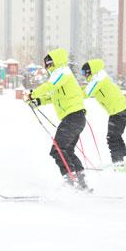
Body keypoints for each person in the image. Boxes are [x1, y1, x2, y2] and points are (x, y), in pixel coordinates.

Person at [27, 48, 89, 190]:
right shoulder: (60, 76)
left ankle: (70, 181)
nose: (47, 67)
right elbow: (52, 96)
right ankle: (80, 182)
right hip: (75, 118)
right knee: (67, 150)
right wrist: (38, 101)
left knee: (58, 150)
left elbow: (49, 86)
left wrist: (33, 94)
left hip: (73, 117)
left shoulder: (62, 72)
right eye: (46, 65)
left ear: (55, 62)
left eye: (49, 64)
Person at [81, 59, 126, 172]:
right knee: (115, 137)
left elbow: (85, 93)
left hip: (119, 111)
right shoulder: (98, 78)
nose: (84, 76)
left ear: (91, 71)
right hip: (119, 110)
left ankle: (119, 164)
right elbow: (85, 90)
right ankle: (123, 161)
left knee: (112, 137)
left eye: (85, 73)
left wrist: (71, 97)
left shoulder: (99, 79)